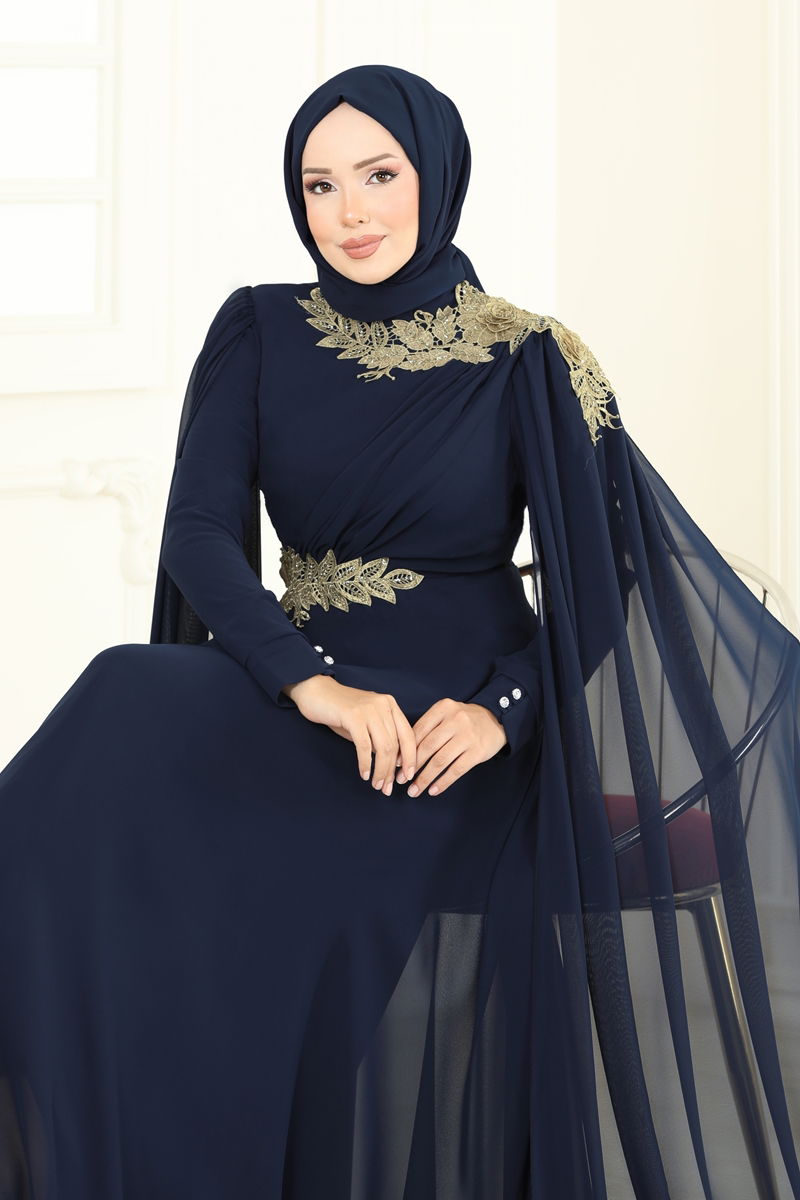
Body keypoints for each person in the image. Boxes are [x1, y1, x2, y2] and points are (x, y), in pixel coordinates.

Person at [1, 62, 799, 1200]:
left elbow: (607, 575)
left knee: (253, 865)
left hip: (445, 734)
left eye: (378, 176)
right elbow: (198, 536)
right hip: (301, 700)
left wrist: (502, 712)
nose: (350, 213)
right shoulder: (259, 329)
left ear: (436, 174)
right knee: (121, 699)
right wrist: (310, 685)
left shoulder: (529, 355)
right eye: (319, 185)